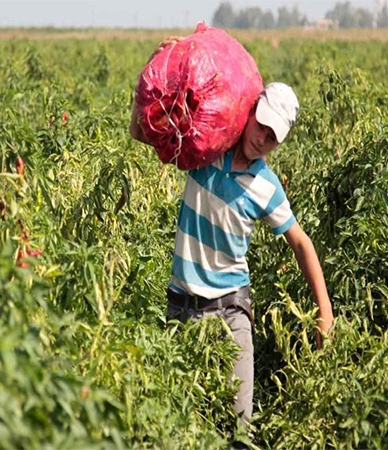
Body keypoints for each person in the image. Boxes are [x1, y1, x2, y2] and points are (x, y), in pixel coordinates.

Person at [130, 37, 334, 432]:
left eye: (272, 137)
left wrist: (325, 314)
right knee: (177, 427)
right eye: (261, 126)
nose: (261, 139)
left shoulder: (266, 186)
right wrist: (159, 64)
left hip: (230, 312)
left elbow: (301, 243)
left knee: (238, 430)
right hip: (181, 309)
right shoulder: (206, 148)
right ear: (251, 111)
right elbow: (142, 132)